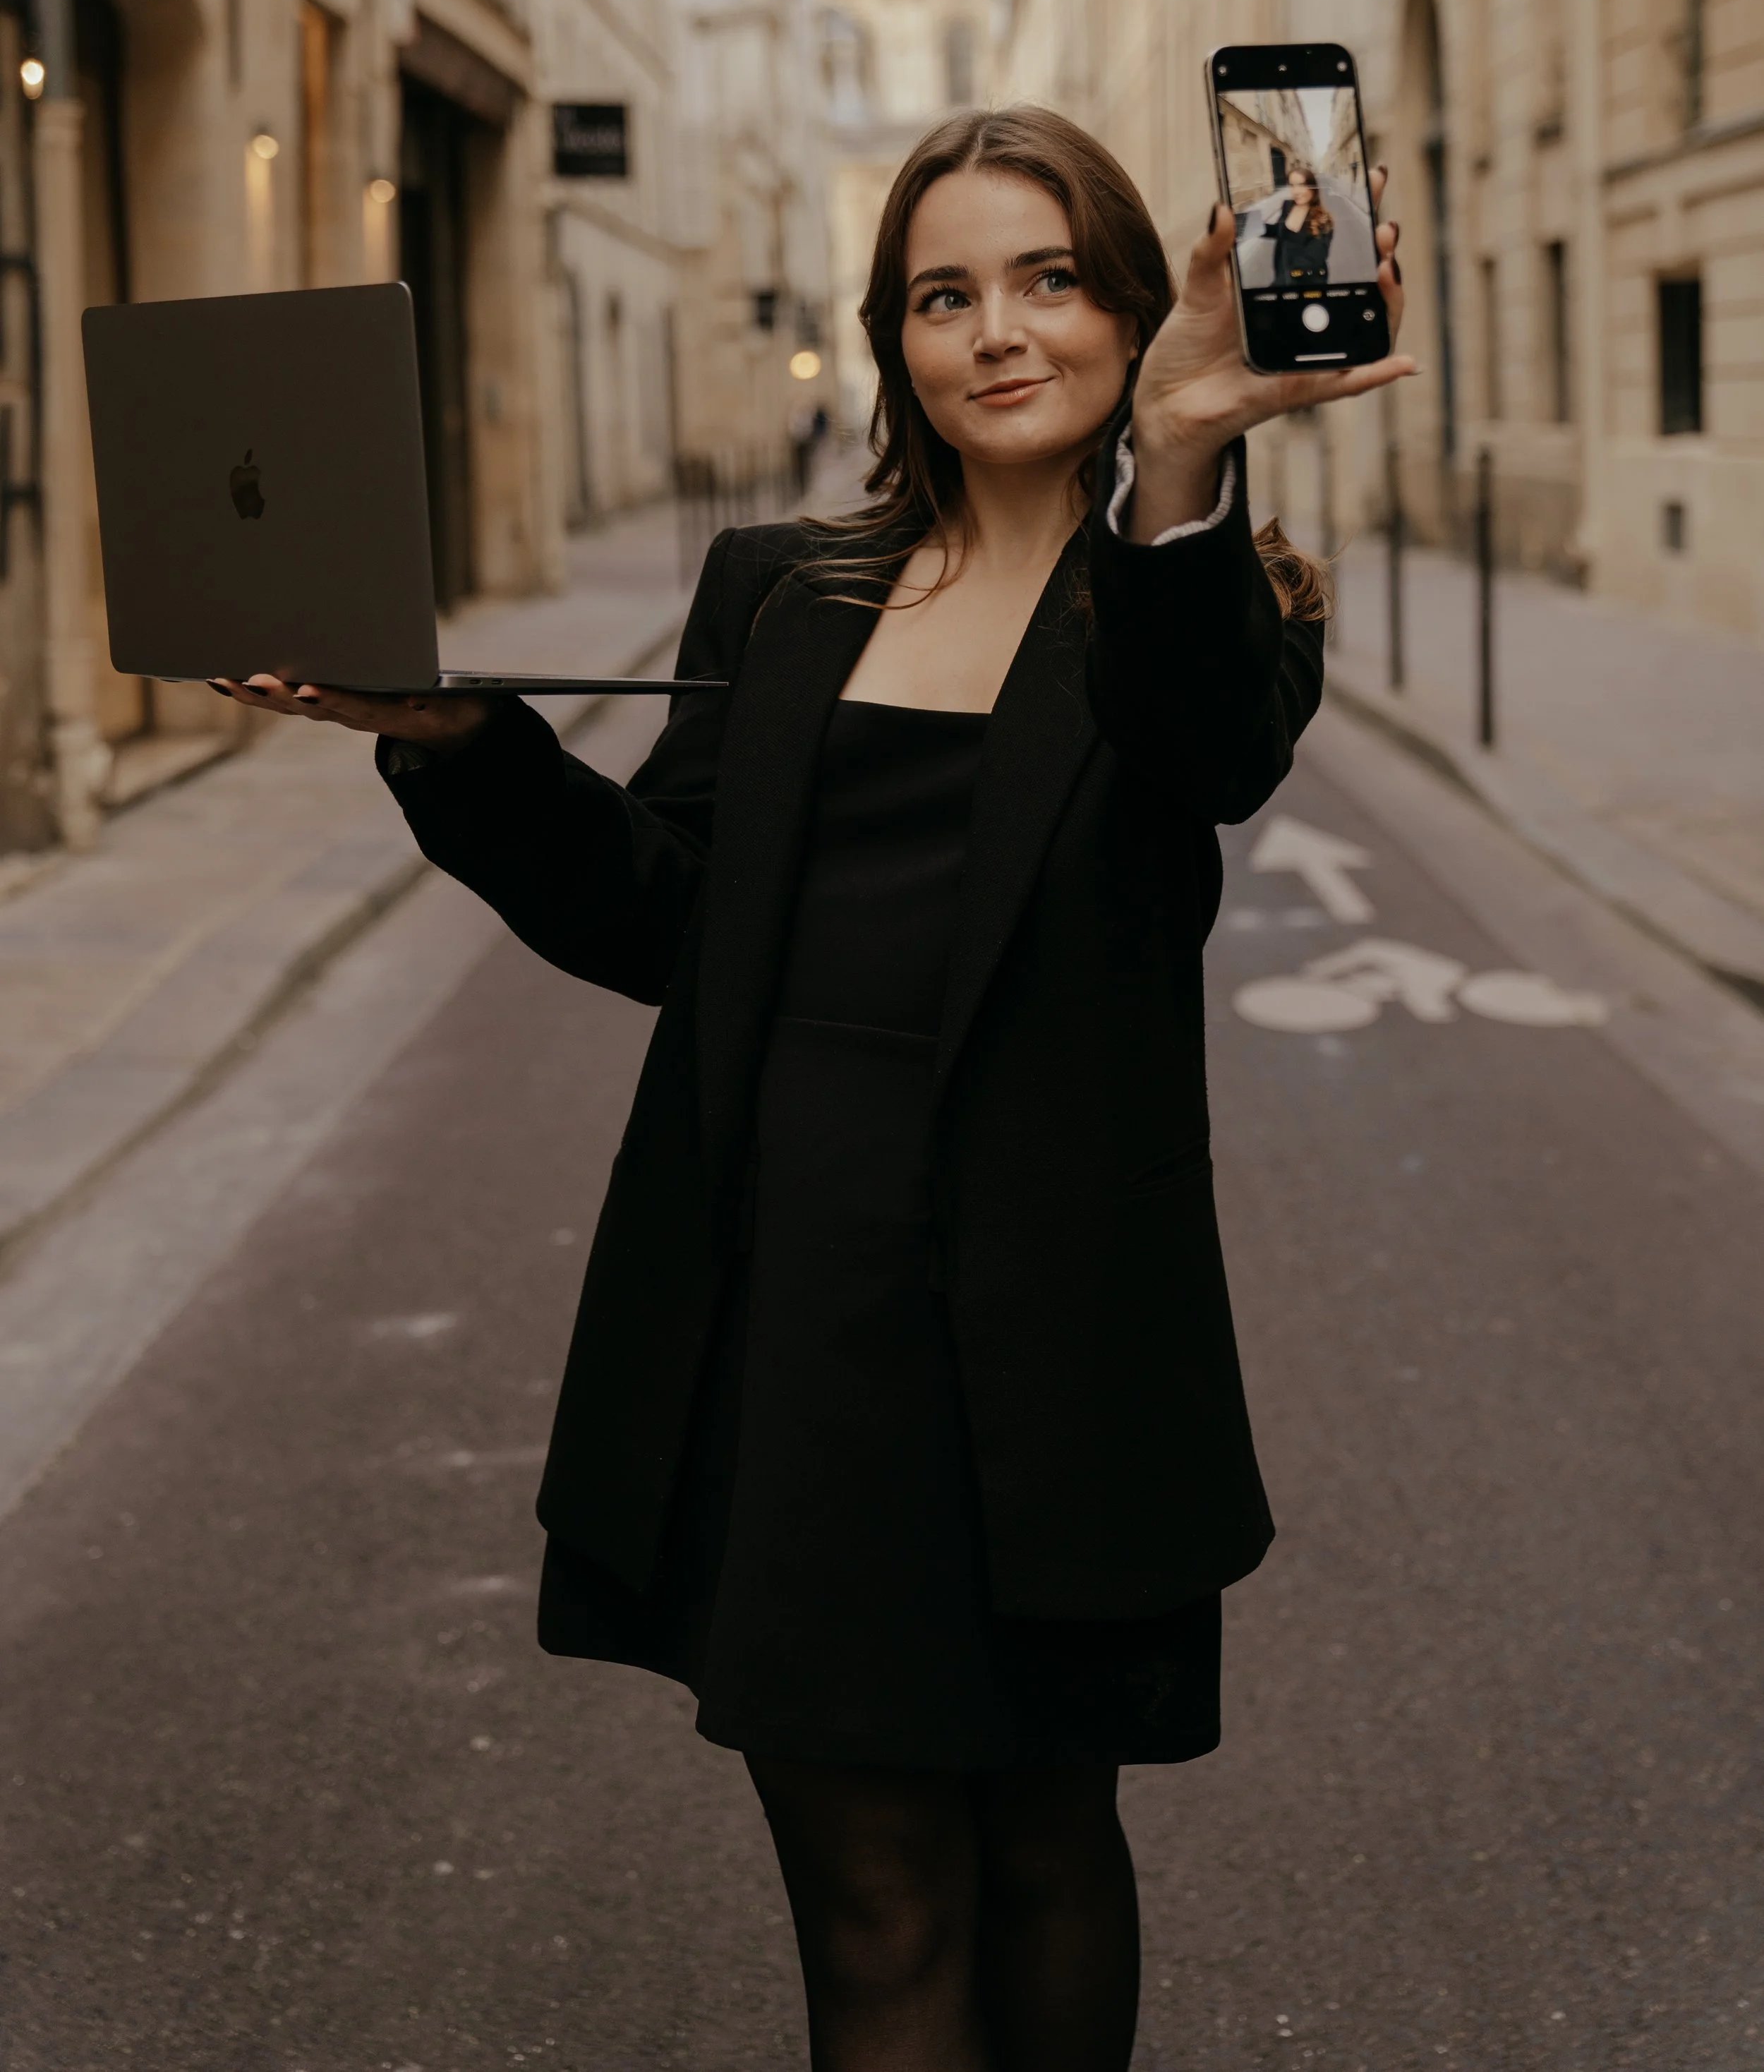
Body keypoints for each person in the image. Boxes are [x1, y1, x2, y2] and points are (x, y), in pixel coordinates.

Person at [215, 106, 1409, 2072]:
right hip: (796, 1327)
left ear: (1131, 311)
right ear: (892, 341)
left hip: (1053, 1343)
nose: (995, 332)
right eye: (942, 293)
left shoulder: (1207, 596)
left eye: (1047, 280)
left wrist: (1188, 449)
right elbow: (662, 916)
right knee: (865, 1883)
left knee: (1042, 1837)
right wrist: (453, 739)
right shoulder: (780, 590)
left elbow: (1201, 758)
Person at [1266, 159, 1334, 288]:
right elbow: (1280, 230)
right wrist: (1251, 226)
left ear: (1313, 188)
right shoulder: (1287, 206)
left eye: (1301, 185)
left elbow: (1311, 261)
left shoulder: (1323, 221)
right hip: (1282, 273)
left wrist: (1279, 284)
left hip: (1307, 283)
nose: (1295, 191)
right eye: (1292, 186)